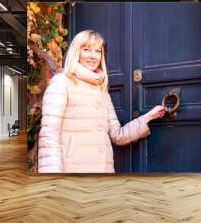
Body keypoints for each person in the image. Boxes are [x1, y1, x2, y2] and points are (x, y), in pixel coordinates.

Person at [38, 30, 166, 173]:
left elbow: (117, 135)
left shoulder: (101, 89)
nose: (93, 56)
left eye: (98, 51)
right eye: (86, 50)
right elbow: (49, 134)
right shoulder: (61, 82)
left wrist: (149, 117)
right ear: (76, 52)